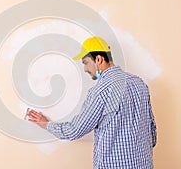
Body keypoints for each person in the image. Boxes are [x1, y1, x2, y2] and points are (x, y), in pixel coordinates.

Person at [27, 36, 157, 169]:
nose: (85, 69)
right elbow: (152, 131)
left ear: (99, 59)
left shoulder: (101, 91)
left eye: (85, 62)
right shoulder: (139, 83)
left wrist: (46, 124)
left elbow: (74, 130)